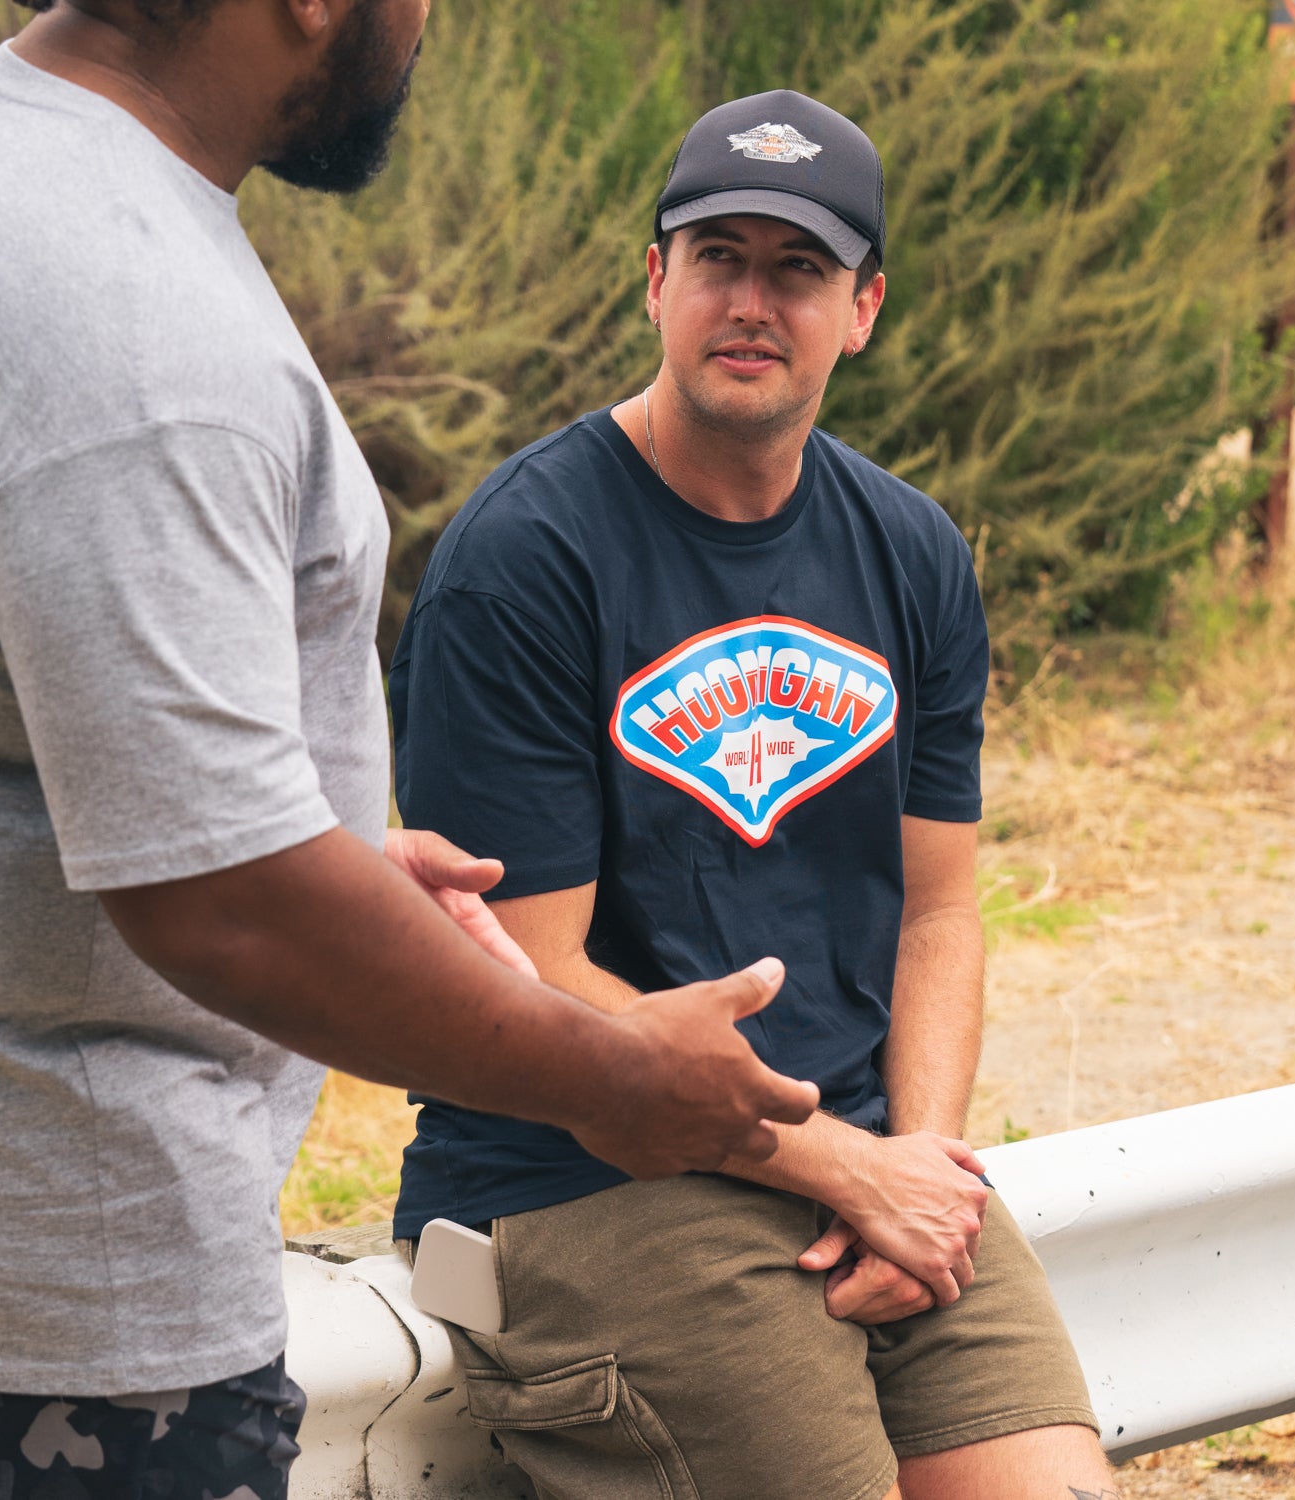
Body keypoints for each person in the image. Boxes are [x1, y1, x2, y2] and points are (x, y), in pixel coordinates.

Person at [0, 5, 821, 1493]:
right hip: (72, 1327)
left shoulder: (45, 199)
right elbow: (225, 903)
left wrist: (325, 845)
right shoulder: (126, 304)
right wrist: (611, 1075)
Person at [391, 90, 1120, 1500]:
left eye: (798, 268)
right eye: (716, 255)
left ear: (865, 309)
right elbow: (528, 981)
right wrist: (847, 1173)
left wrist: (916, 1164)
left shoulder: (911, 554)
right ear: (655, 280)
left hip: (855, 1150)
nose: (750, 299)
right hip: (589, 1182)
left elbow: (941, 910)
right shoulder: (526, 559)